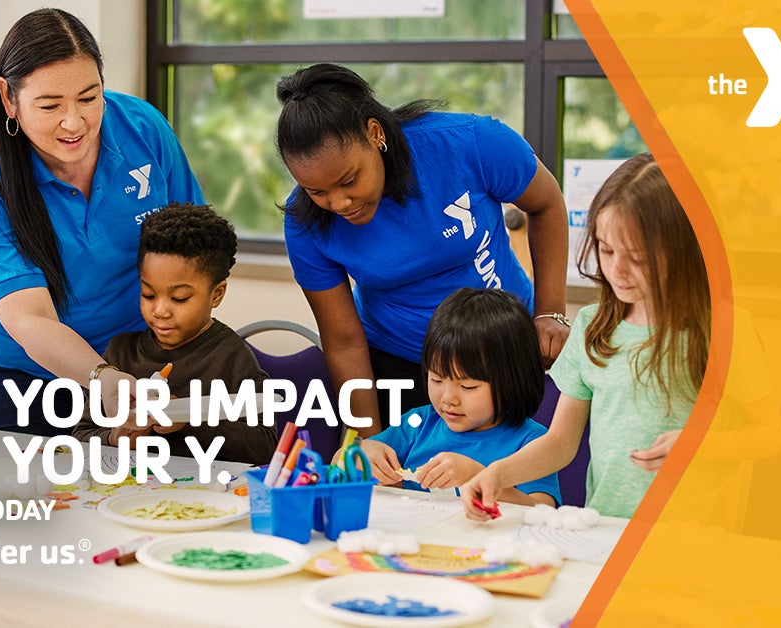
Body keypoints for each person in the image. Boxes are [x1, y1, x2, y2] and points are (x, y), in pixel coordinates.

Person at [274, 63, 570, 437]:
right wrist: (365, 441)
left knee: (510, 466)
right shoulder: (306, 222)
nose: (339, 203)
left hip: (503, 346)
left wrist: (550, 313)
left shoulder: (469, 144)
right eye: (317, 191)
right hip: (400, 362)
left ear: (375, 133)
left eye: (348, 181)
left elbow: (546, 204)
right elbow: (345, 342)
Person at [0, 8, 205, 435]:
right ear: (8, 98)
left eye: (89, 98)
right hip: (18, 373)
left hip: (136, 352)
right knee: (34, 477)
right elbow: (31, 319)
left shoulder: (142, 129)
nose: (74, 122)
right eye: (50, 105)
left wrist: (184, 350)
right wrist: (101, 377)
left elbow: (194, 243)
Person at [461, 153, 710, 519]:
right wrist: (497, 475)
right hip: (608, 525)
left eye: (637, 258)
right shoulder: (592, 327)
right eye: (606, 250)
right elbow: (560, 442)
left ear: (682, 250)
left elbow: (767, 436)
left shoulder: (721, 330)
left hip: (695, 530)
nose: (616, 269)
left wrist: (700, 442)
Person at [72, 203, 277, 464]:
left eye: (179, 298)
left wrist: (188, 419)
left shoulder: (231, 357)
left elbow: (265, 446)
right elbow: (81, 435)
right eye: (148, 294)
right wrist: (114, 438)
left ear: (216, 294)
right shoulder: (120, 353)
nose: (160, 311)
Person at [356, 288, 559, 505]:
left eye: (468, 386)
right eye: (436, 379)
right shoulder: (418, 424)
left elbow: (542, 510)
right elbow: (340, 462)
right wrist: (360, 453)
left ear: (512, 380)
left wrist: (478, 478)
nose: (448, 399)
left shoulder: (532, 442)